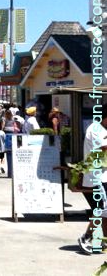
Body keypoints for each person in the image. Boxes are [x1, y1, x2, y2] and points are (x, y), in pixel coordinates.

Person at [78, 108, 107, 254]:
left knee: (105, 211)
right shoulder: (96, 129)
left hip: (103, 176)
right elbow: (104, 148)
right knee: (101, 208)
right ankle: (86, 237)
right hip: (97, 178)